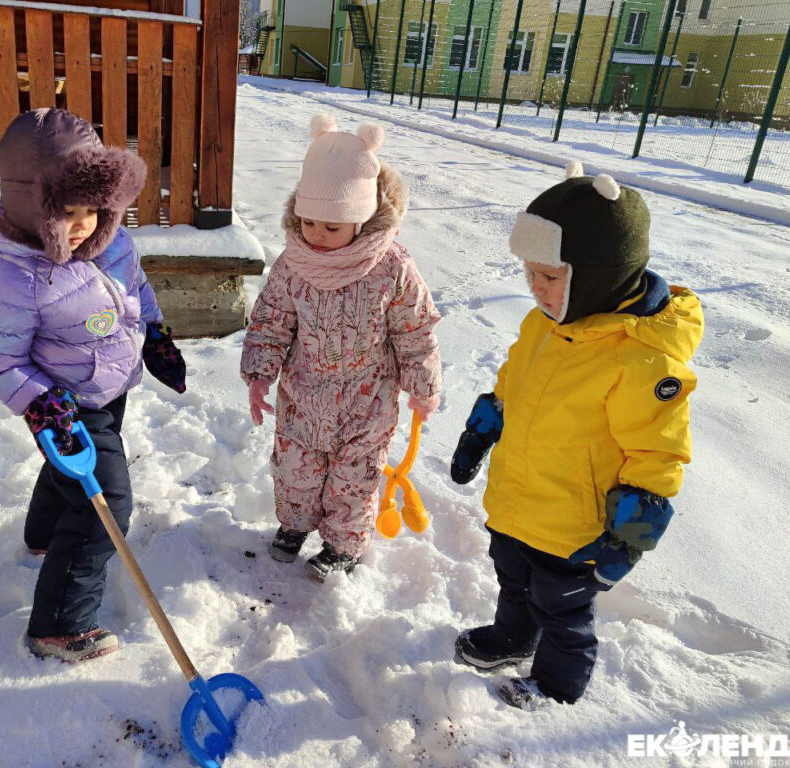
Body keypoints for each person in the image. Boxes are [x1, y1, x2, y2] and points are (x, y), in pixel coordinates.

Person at [450, 162, 703, 709]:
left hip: (576, 525)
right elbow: (513, 383)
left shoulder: (641, 358)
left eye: (550, 276)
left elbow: (657, 452)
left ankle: (556, 689)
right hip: (519, 501)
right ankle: (510, 641)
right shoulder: (544, 324)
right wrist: (485, 425)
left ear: (598, 274)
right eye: (530, 274)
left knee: (562, 610)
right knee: (513, 581)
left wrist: (631, 531)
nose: (536, 288)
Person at [0, 108, 186, 662]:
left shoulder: (110, 239)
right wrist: (43, 406)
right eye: (68, 211)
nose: (84, 223)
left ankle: (42, 537)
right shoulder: (9, 274)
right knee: (103, 503)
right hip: (63, 401)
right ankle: (59, 624)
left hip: (110, 384)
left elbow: (135, 288)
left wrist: (154, 333)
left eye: (94, 208)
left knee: (69, 471)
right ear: (32, 205)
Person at [240, 114, 442, 582]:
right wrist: (259, 375)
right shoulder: (294, 262)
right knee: (295, 469)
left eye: (332, 227)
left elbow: (415, 330)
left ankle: (342, 545)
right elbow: (272, 320)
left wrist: (423, 386)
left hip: (367, 400)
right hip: (303, 394)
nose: (316, 234)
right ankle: (294, 525)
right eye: (308, 221)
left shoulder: (390, 265)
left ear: (361, 216)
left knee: (355, 479)